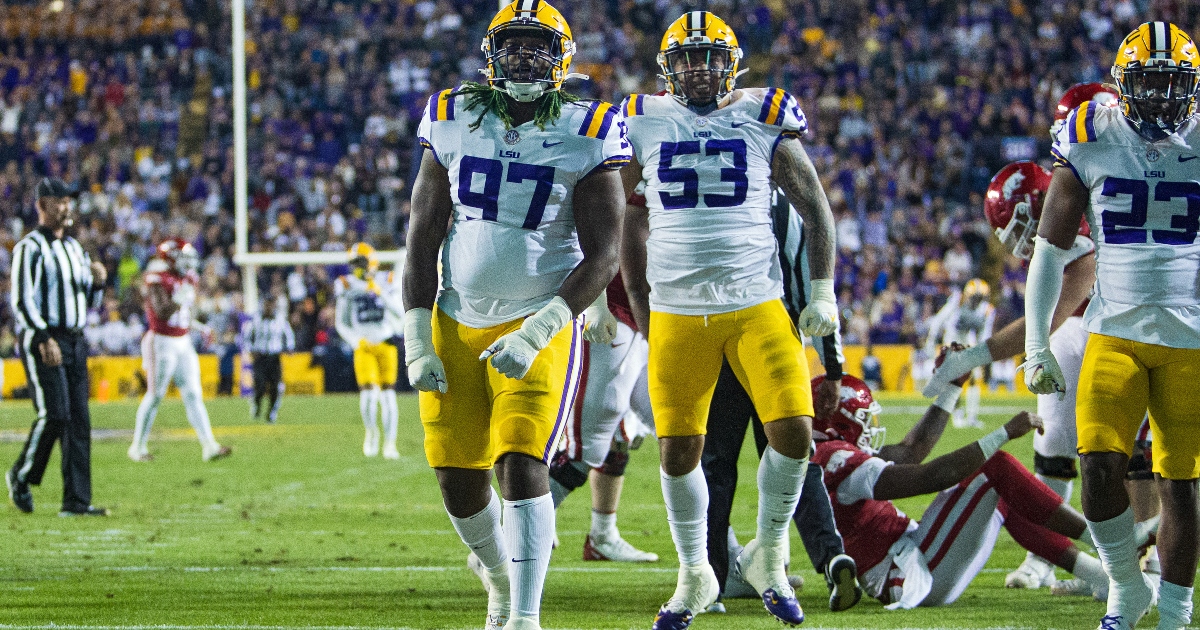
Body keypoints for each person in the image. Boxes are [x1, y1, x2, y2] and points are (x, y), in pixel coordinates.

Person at [401, 2, 628, 628]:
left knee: (521, 462)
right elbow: (423, 234)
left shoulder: (591, 127)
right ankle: (500, 579)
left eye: (538, 46)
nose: (525, 57)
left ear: (562, 58)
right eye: (515, 46)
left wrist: (542, 328)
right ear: (491, 54)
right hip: (456, 316)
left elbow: (605, 253)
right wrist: (418, 335)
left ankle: (525, 617)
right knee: (455, 474)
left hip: (539, 317)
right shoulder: (451, 117)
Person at [620, 12, 839, 628]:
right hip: (677, 310)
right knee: (679, 451)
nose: (697, 68)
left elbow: (816, 211)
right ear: (669, 68)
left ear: (730, 64)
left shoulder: (763, 113)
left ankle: (769, 552)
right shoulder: (641, 120)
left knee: (794, 429)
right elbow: (626, 216)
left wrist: (821, 292)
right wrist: (634, 290)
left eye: (708, 57)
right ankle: (695, 573)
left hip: (755, 303)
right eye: (686, 58)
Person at [1022, 21, 1200, 630]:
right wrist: (1034, 342)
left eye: (1170, 84)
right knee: (1097, 466)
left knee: (1182, 484)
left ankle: (1176, 608)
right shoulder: (1091, 134)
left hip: (1191, 340)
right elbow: (1050, 248)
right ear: (1124, 87)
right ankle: (1126, 586)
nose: (1158, 97)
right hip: (1114, 330)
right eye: (1146, 83)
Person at [812, 374, 1133, 609]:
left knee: (1005, 492)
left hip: (909, 557)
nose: (869, 427)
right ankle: (1108, 540)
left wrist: (952, 384)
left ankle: (1100, 575)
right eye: (863, 418)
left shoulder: (828, 454)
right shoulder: (835, 459)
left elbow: (912, 450)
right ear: (838, 420)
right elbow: (933, 476)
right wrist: (1004, 432)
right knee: (997, 467)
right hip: (908, 573)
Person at [699, 187, 861, 614]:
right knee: (795, 463)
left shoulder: (716, 194)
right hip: (780, 348)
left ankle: (711, 578)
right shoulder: (791, 209)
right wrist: (833, 370)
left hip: (724, 347)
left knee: (716, 467)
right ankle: (830, 557)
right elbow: (818, 293)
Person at [6, 177, 108, 516]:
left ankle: (76, 502)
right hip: (45, 337)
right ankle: (21, 476)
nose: (66, 207)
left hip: (75, 338)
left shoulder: (76, 249)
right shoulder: (30, 247)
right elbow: (20, 300)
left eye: (68, 201)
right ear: (42, 206)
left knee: (79, 420)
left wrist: (99, 282)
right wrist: (41, 335)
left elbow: (88, 301)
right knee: (55, 414)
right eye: (59, 201)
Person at [549, 271, 659, 563]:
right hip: (611, 309)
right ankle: (511, 535)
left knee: (673, 433)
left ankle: (603, 535)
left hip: (649, 316)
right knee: (583, 448)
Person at [129, 238, 231, 463]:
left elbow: (181, 315)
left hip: (183, 341)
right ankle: (137, 447)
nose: (189, 262)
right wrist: (178, 297)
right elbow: (162, 312)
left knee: (194, 394)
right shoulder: (157, 278)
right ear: (171, 258)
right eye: (183, 257)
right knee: (155, 395)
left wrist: (198, 326)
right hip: (161, 341)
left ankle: (209, 446)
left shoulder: (186, 278)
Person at [334, 242, 403, 459]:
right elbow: (341, 322)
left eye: (360, 262)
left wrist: (379, 291)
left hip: (385, 343)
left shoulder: (386, 280)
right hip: (364, 346)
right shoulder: (346, 284)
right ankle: (371, 433)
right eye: (354, 263)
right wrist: (355, 340)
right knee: (369, 395)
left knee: (389, 396)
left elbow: (400, 311)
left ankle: (390, 443)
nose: (357, 267)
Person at [923, 278, 995, 428]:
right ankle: (957, 415)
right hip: (952, 339)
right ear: (967, 295)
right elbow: (939, 320)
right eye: (974, 297)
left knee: (974, 378)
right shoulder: (957, 301)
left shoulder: (987, 309)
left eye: (979, 298)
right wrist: (930, 341)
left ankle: (972, 416)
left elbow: (985, 334)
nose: (977, 301)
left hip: (969, 339)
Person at [244, 293, 296, 423]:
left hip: (274, 357)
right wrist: (250, 350)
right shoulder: (255, 319)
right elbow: (246, 337)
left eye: (271, 304)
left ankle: (271, 412)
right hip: (260, 357)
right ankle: (256, 405)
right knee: (260, 385)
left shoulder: (280, 319)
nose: (269, 307)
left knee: (275, 386)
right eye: (267, 304)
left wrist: (289, 348)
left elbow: (289, 335)